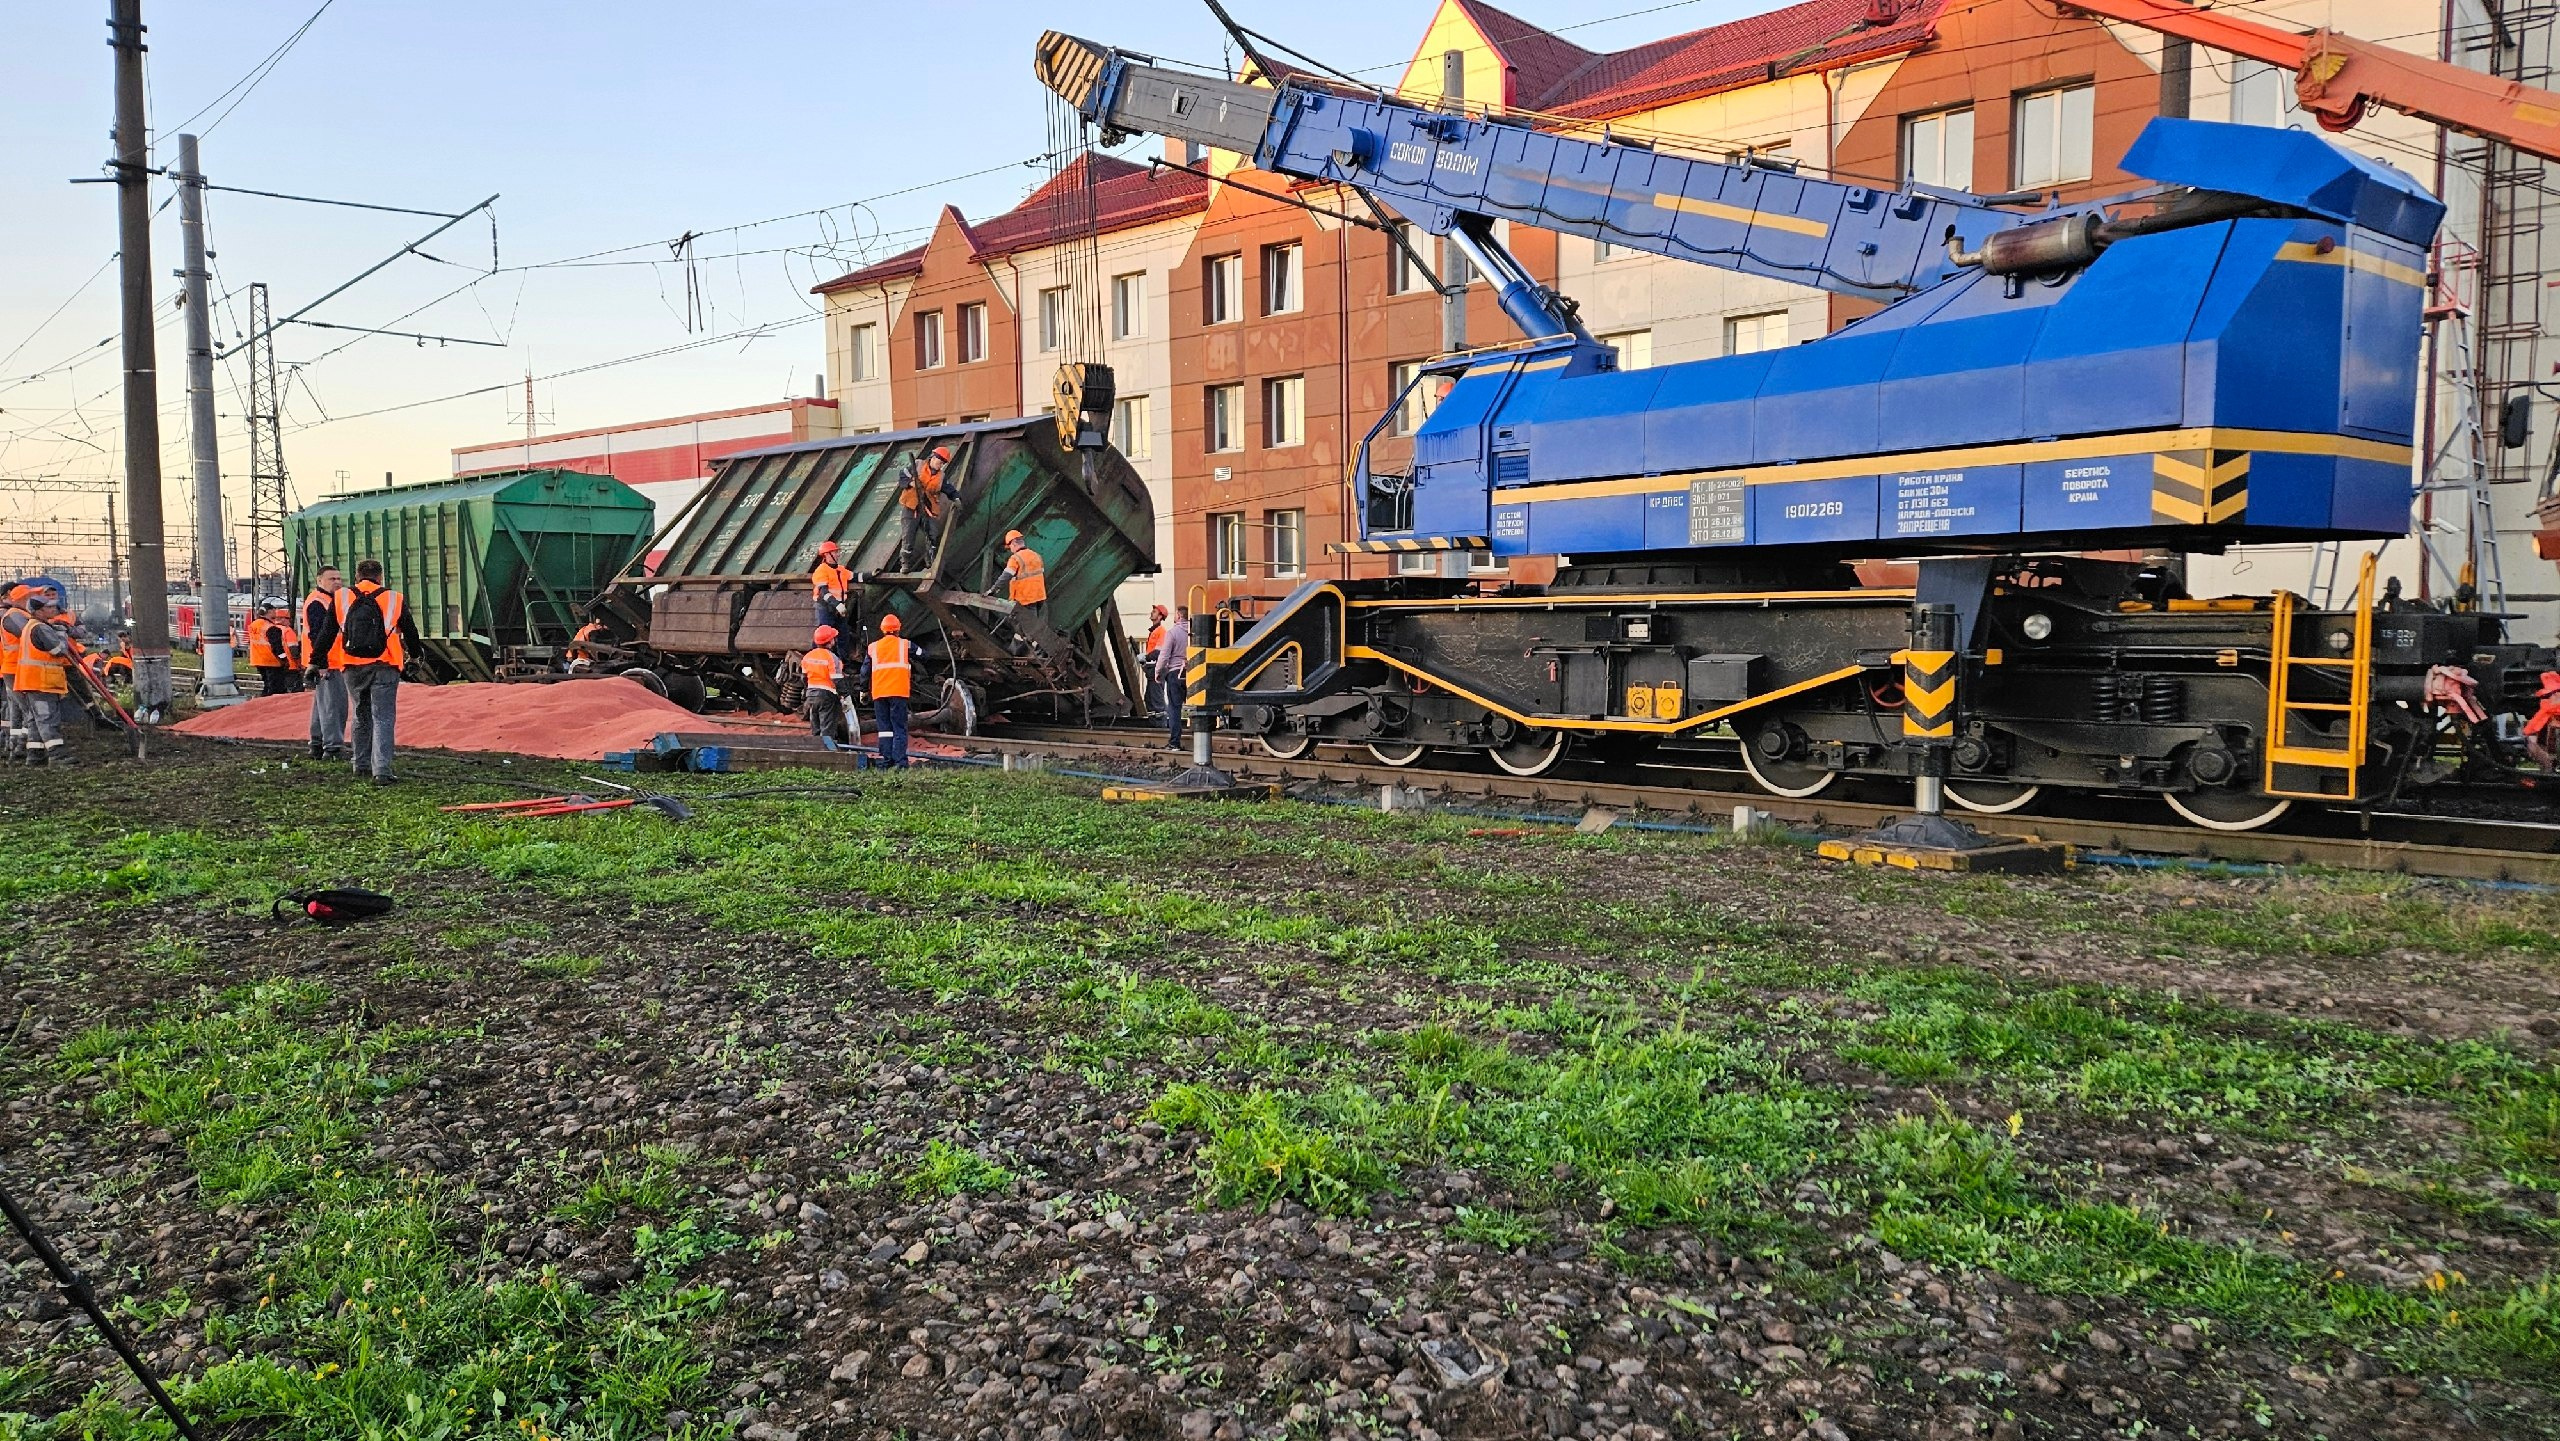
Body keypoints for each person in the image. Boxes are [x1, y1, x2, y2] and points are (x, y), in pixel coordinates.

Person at [332, 559, 419, 784]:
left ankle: (359, 764)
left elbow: (326, 632)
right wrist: (416, 656)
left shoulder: (341, 597)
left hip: (351, 666)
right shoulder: (393, 598)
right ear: (380, 577)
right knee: (383, 717)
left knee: (360, 713)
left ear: (357, 576)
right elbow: (410, 631)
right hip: (385, 664)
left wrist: (314, 662)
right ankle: (381, 770)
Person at [15, 594, 76, 767]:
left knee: (36, 720)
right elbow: (59, 650)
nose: (53, 610)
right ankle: (57, 756)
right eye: (48, 608)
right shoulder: (41, 628)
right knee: (47, 719)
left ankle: (35, 756)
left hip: (33, 681)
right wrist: (62, 634)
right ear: (39, 611)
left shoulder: (31, 626)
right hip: (42, 682)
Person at [303, 565, 349, 761]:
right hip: (329, 663)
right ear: (320, 581)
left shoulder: (329, 600)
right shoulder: (318, 602)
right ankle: (332, 748)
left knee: (323, 705)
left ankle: (318, 743)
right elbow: (317, 636)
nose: (337, 582)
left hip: (329, 661)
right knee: (334, 706)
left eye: (339, 578)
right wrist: (320, 664)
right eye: (332, 579)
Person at [865, 612, 917, 769]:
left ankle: (886, 760)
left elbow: (864, 671)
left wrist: (862, 689)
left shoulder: (873, 647)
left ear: (882, 630)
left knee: (885, 729)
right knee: (899, 727)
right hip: (898, 692)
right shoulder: (905, 644)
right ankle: (900, 762)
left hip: (879, 693)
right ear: (898, 630)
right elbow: (923, 654)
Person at [896, 444, 953, 569]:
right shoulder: (918, 465)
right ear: (933, 457)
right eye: (940, 461)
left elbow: (949, 489)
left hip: (928, 509)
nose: (941, 464)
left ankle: (930, 562)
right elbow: (902, 475)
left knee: (932, 535)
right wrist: (911, 483)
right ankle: (905, 564)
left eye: (943, 462)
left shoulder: (941, 477)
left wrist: (957, 498)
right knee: (908, 536)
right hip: (911, 508)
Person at [0, 584, 31, 762]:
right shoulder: (12, 616)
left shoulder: (11, 615)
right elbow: (27, 635)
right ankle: (21, 745)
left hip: (10, 668)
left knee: (13, 708)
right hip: (15, 668)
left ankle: (13, 743)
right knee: (25, 710)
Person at [802, 624, 847, 743]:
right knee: (827, 729)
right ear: (830, 641)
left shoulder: (807, 656)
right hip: (826, 696)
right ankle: (828, 753)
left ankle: (816, 751)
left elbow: (804, 677)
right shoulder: (832, 658)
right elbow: (837, 679)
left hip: (811, 695)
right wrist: (845, 696)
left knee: (815, 726)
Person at [248, 601, 303, 695]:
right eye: (274, 611)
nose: (275, 613)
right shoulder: (271, 628)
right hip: (272, 662)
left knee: (267, 685)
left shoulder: (254, 625)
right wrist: (284, 660)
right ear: (269, 612)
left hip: (258, 660)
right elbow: (277, 647)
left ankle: (264, 702)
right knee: (276, 688)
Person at [1156, 605, 1191, 750]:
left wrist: (1157, 672)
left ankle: (1175, 742)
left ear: (1178, 615)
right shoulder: (1194, 633)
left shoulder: (1173, 633)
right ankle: (1202, 740)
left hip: (1175, 673)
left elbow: (1164, 655)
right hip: (1193, 674)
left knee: (1175, 708)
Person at [998, 529, 1047, 625]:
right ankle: (1022, 638)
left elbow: (1005, 576)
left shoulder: (1015, 558)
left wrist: (993, 589)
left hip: (1026, 599)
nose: (1011, 550)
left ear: (1013, 544)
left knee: (1027, 628)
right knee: (1025, 627)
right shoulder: (1036, 556)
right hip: (1039, 597)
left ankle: (1026, 639)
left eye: (1010, 547)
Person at [1140, 603, 1169, 718]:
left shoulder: (1161, 631)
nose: (1152, 613)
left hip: (1157, 669)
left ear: (1160, 616)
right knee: (1150, 699)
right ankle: (1154, 722)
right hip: (1153, 669)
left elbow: (1159, 652)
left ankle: (1160, 723)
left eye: (1155, 611)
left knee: (1156, 699)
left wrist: (1145, 657)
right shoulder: (1154, 631)